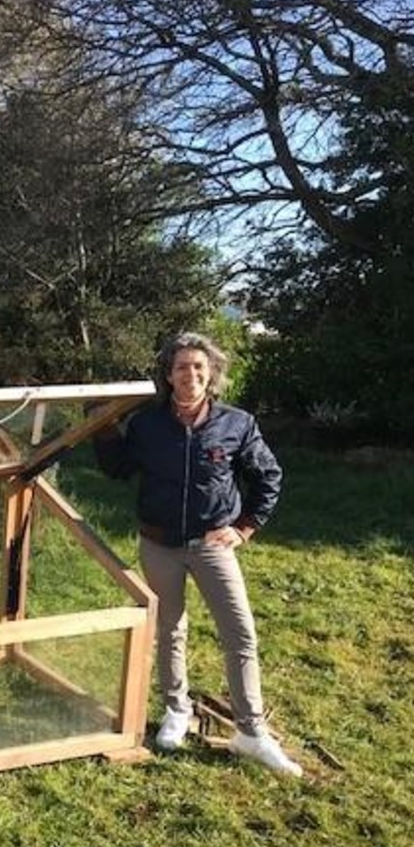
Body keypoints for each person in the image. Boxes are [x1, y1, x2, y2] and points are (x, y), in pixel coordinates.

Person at [94, 332, 303, 777]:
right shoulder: (149, 425)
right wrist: (103, 425)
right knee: (169, 629)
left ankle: (250, 731)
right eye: (182, 367)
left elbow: (268, 476)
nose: (190, 375)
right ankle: (176, 711)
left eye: (199, 368)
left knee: (240, 632)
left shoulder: (237, 424)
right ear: (168, 376)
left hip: (212, 546)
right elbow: (117, 469)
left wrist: (244, 528)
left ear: (212, 377)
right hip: (159, 544)